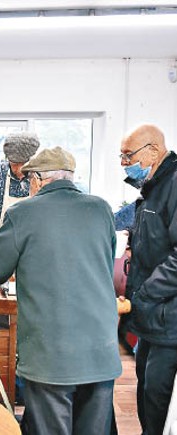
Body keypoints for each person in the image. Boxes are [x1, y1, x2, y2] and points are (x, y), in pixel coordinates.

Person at [0, 147, 122, 434]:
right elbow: (103, 260)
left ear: (38, 180)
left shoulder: (23, 213)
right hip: (100, 349)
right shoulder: (101, 209)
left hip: (52, 354)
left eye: (28, 180)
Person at [120, 124, 177, 435]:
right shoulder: (152, 189)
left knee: (158, 402)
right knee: (145, 396)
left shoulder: (175, 185)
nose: (124, 164)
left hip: (169, 322)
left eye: (128, 156)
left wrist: (140, 296)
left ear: (154, 151)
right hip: (149, 319)